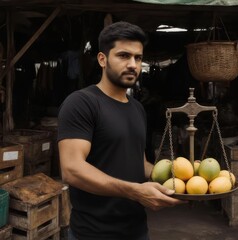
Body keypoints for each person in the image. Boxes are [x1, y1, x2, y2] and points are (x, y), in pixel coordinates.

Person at [57, 21, 185, 240]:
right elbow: (72, 169)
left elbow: (139, 161)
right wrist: (135, 191)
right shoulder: (82, 103)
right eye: (124, 56)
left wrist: (177, 176)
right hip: (93, 233)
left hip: (137, 231)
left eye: (138, 57)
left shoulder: (137, 108)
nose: (133, 64)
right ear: (102, 59)